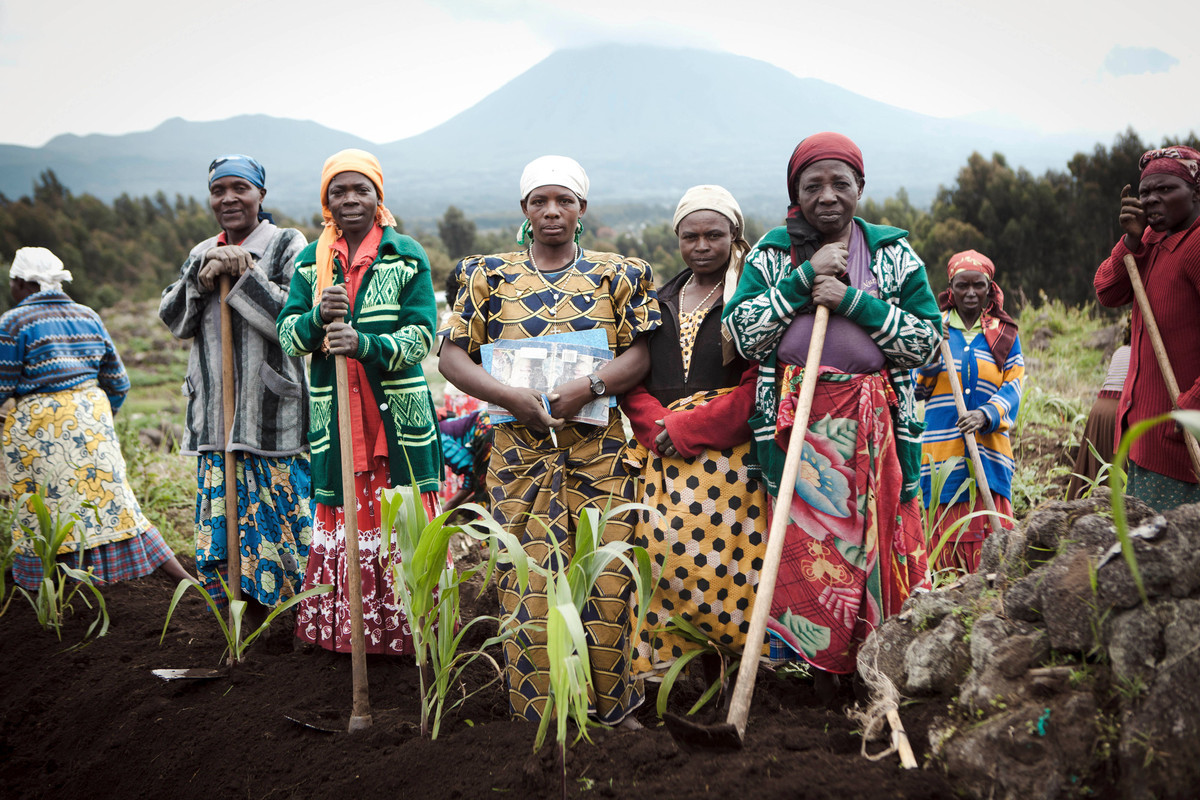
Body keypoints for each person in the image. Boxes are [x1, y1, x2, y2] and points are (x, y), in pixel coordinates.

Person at [438, 155, 660, 727]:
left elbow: (640, 354)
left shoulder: (621, 274)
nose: (552, 211)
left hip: (601, 453)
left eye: (564, 200)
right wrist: (511, 397)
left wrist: (588, 385)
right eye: (540, 201)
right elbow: (452, 356)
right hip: (519, 456)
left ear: (582, 209)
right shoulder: (486, 275)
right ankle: (540, 711)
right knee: (529, 577)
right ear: (524, 210)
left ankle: (615, 705)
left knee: (607, 576)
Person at [722, 132, 939, 689]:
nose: (827, 195)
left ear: (860, 189)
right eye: (812, 184)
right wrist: (800, 281)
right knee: (803, 549)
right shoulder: (772, 254)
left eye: (840, 183)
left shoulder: (892, 253)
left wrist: (853, 303)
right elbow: (743, 337)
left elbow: (925, 343)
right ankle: (812, 672)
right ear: (795, 191)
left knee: (878, 540)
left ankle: (880, 663)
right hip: (797, 428)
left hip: (876, 430)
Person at [278, 149, 444, 654]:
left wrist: (367, 345)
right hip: (340, 420)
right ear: (326, 202)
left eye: (360, 190)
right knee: (346, 517)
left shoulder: (405, 254)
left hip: (398, 420)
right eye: (338, 191)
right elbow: (288, 336)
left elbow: (422, 336)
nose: (350, 199)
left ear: (378, 197)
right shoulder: (311, 262)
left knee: (404, 518)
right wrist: (314, 321)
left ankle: (414, 639)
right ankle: (354, 638)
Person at [620, 185, 768, 681]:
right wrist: (658, 426)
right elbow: (633, 380)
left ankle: (735, 670)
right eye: (691, 236)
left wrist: (690, 426)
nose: (701, 245)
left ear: (735, 236)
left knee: (729, 567)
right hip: (662, 459)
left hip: (729, 466)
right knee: (665, 562)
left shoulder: (749, 306)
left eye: (714, 235)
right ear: (677, 239)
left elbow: (756, 390)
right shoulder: (656, 303)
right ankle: (674, 674)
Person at [159, 154, 313, 627]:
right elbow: (174, 320)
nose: (228, 198)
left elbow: (292, 321)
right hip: (215, 415)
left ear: (260, 195)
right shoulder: (202, 249)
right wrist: (200, 276)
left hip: (271, 412)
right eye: (218, 190)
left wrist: (244, 275)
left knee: (285, 520)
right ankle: (236, 619)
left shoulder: (288, 243)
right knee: (222, 522)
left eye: (239, 188)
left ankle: (294, 615)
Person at [3, 247, 192, 587]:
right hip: (92, 420)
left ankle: (57, 587)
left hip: (40, 429)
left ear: (20, 283)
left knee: (48, 512)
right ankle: (181, 579)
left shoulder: (13, 322)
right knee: (115, 503)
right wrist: (97, 420)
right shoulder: (88, 315)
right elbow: (119, 381)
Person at [1095, 145, 1200, 511]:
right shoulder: (1151, 240)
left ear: (1196, 192)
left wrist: (1192, 407)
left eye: (1166, 189)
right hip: (1143, 435)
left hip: (1182, 438)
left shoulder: (1196, 246)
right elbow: (1107, 291)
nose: (1152, 199)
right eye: (1145, 193)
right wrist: (1132, 241)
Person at [915, 250, 1023, 574]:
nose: (971, 293)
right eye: (963, 285)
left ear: (990, 289)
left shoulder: (1004, 334)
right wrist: (933, 353)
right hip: (942, 456)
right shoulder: (935, 329)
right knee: (944, 557)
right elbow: (916, 387)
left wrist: (986, 415)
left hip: (989, 457)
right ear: (951, 288)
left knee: (992, 557)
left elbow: (1014, 387)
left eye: (979, 285)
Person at [1066, 317, 1131, 500]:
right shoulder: (1144, 352)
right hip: (1119, 411)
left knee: (1097, 469)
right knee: (1117, 471)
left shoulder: (1120, 351)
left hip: (1099, 410)